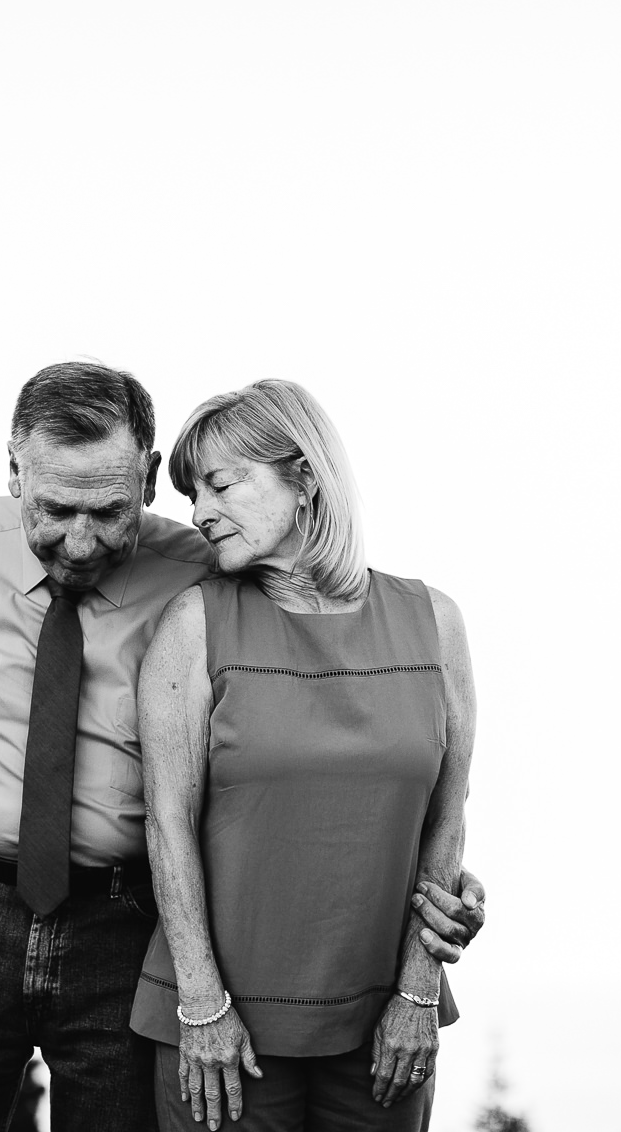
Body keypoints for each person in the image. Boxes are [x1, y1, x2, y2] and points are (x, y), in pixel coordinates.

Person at [0, 362, 484, 1132]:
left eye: (107, 511)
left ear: (145, 480)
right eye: (53, 508)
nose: (79, 541)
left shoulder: (206, 573)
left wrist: (428, 879)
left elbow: (325, 696)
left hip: (124, 926)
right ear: (14, 471)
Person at [130, 378, 476, 1132]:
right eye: (194, 493)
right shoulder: (194, 626)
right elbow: (166, 825)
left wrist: (418, 992)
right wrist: (201, 1006)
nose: (200, 512)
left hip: (388, 1026)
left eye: (222, 484)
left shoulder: (434, 624)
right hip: (223, 1030)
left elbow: (447, 821)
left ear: (306, 479)